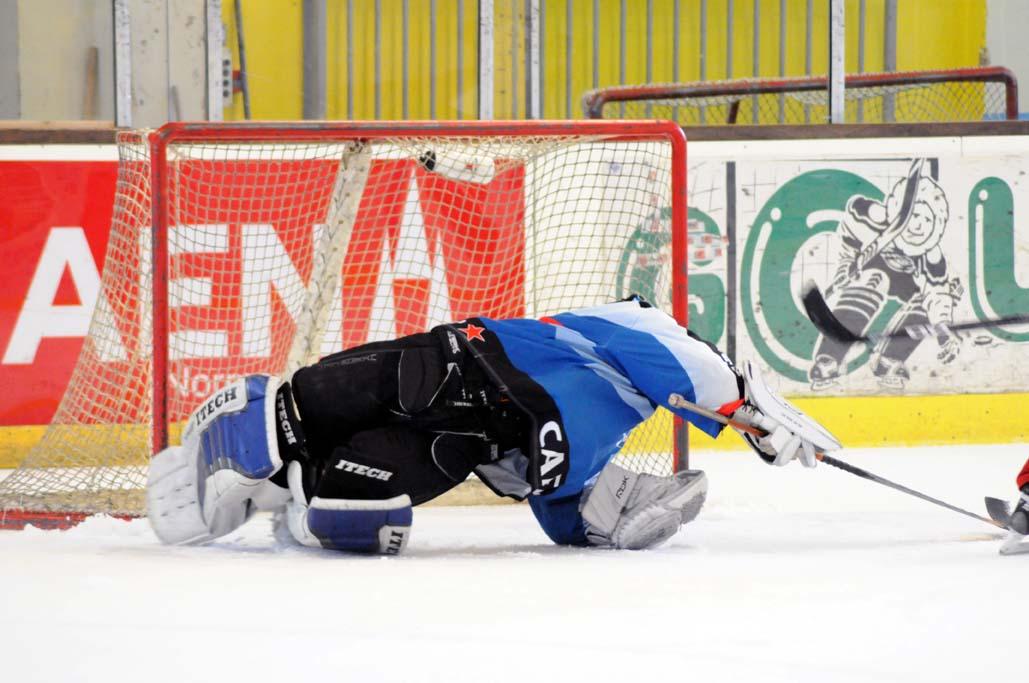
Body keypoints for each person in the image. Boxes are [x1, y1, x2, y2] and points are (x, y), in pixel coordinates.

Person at [146, 296, 841, 554]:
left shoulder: (611, 422)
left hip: (450, 446)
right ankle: (243, 448)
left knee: (355, 512)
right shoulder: (623, 329)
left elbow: (558, 504)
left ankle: (283, 491)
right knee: (298, 407)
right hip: (438, 368)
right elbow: (680, 362)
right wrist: (754, 414)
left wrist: (605, 517)